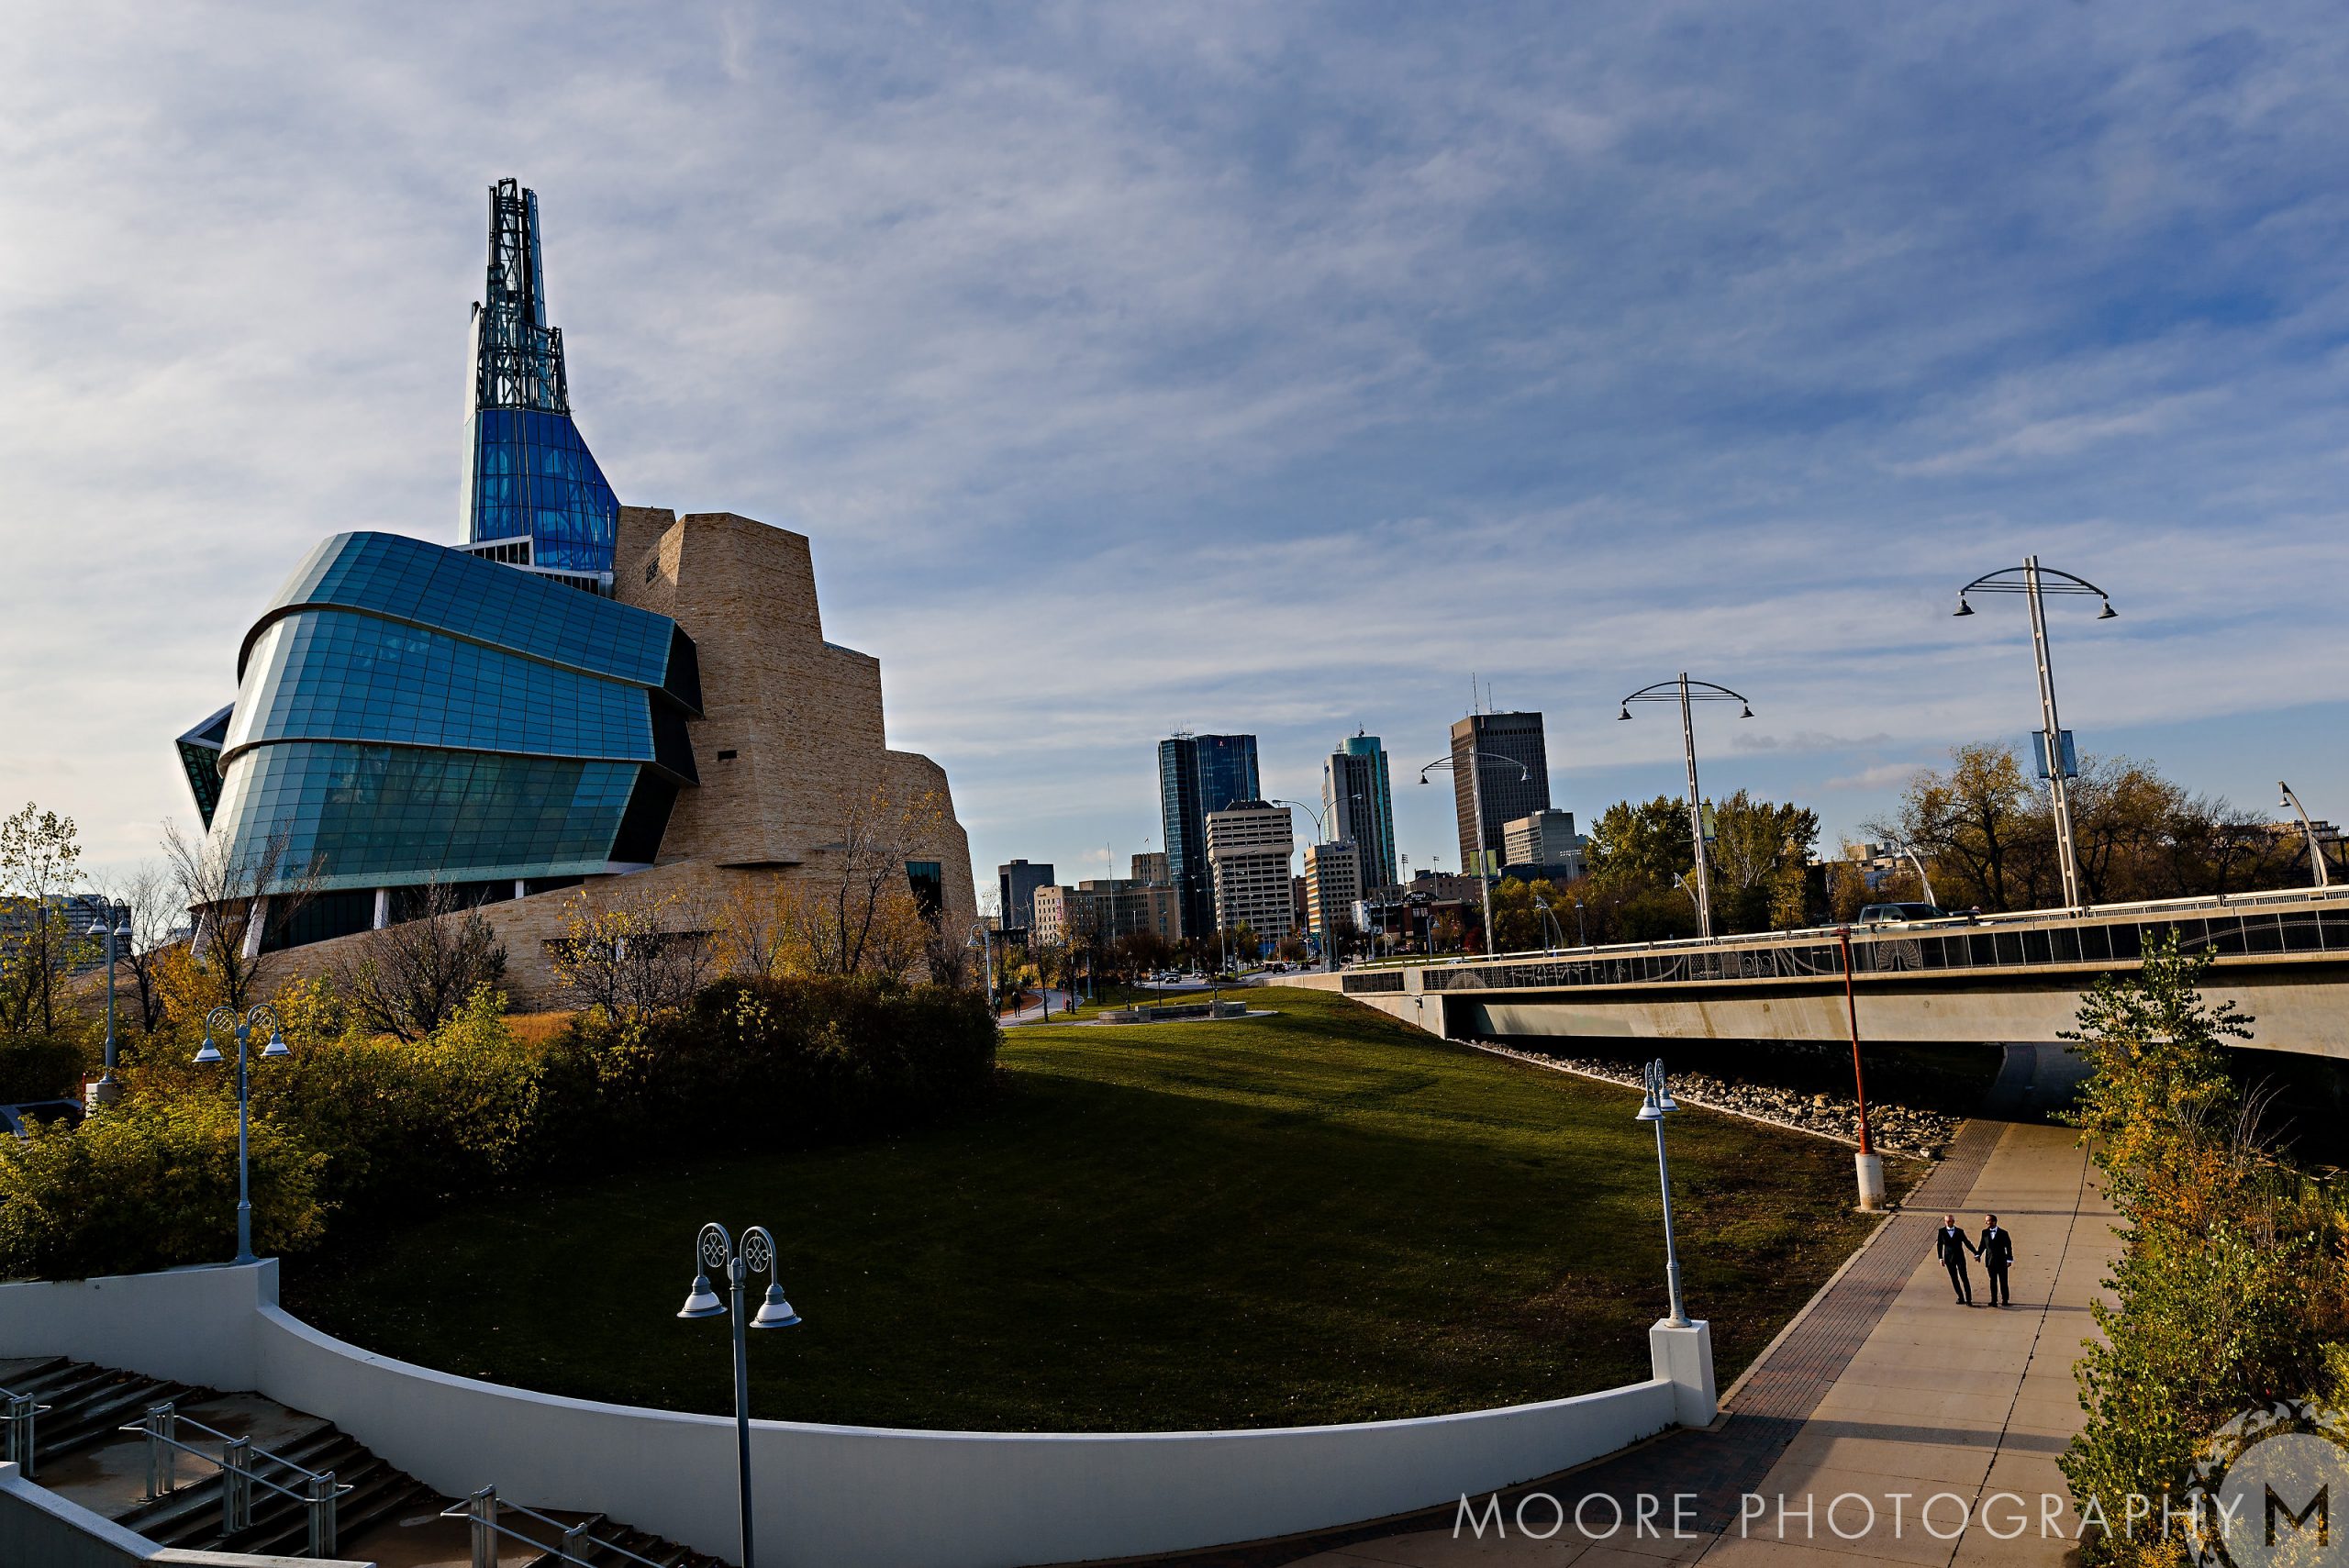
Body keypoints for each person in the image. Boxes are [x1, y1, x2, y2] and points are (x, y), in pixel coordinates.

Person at [1936, 1214, 1977, 1305]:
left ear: (1953, 1222)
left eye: (1949, 1221)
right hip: (1949, 1259)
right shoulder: (1941, 1231)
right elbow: (1939, 1245)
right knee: (1954, 1279)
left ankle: (1969, 1299)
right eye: (1946, 1221)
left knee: (1964, 1278)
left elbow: (1967, 1242)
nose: (1947, 1223)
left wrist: (1975, 1252)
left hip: (1960, 1258)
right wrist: (1940, 1258)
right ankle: (1961, 1297)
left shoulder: (1959, 1231)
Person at [1977, 1215, 2014, 1307]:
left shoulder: (2003, 1233)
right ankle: (1994, 1300)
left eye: (1988, 1221)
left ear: (1994, 1222)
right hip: (1990, 1262)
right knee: (1992, 1281)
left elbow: (2008, 1247)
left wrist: (2009, 1259)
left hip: (2002, 1261)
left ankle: (2005, 1299)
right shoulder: (1984, 1232)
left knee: (2003, 1281)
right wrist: (1978, 1254)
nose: (1986, 1223)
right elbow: (1982, 1245)